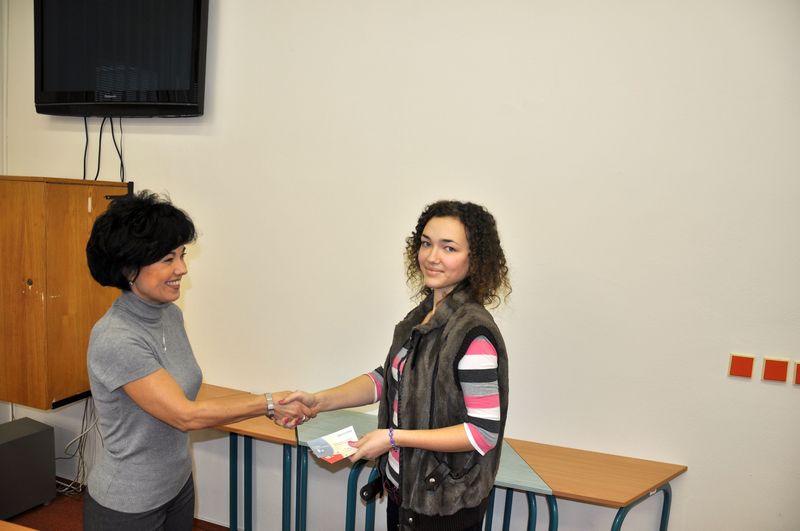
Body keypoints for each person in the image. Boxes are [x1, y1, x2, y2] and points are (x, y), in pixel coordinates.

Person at [83, 191, 313, 531]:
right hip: (129, 503)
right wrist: (268, 402)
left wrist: (265, 406)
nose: (182, 268)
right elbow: (184, 414)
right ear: (129, 268)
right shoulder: (116, 337)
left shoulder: (169, 315)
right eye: (167, 259)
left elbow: (185, 393)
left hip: (176, 486)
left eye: (182, 255)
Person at [282, 200, 511, 531]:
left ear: (475, 259)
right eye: (426, 243)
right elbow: (387, 378)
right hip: (404, 494)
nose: (432, 256)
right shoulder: (423, 315)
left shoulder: (473, 334)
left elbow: (482, 433)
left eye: (449, 248)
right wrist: (319, 401)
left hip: (443, 509)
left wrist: (393, 438)